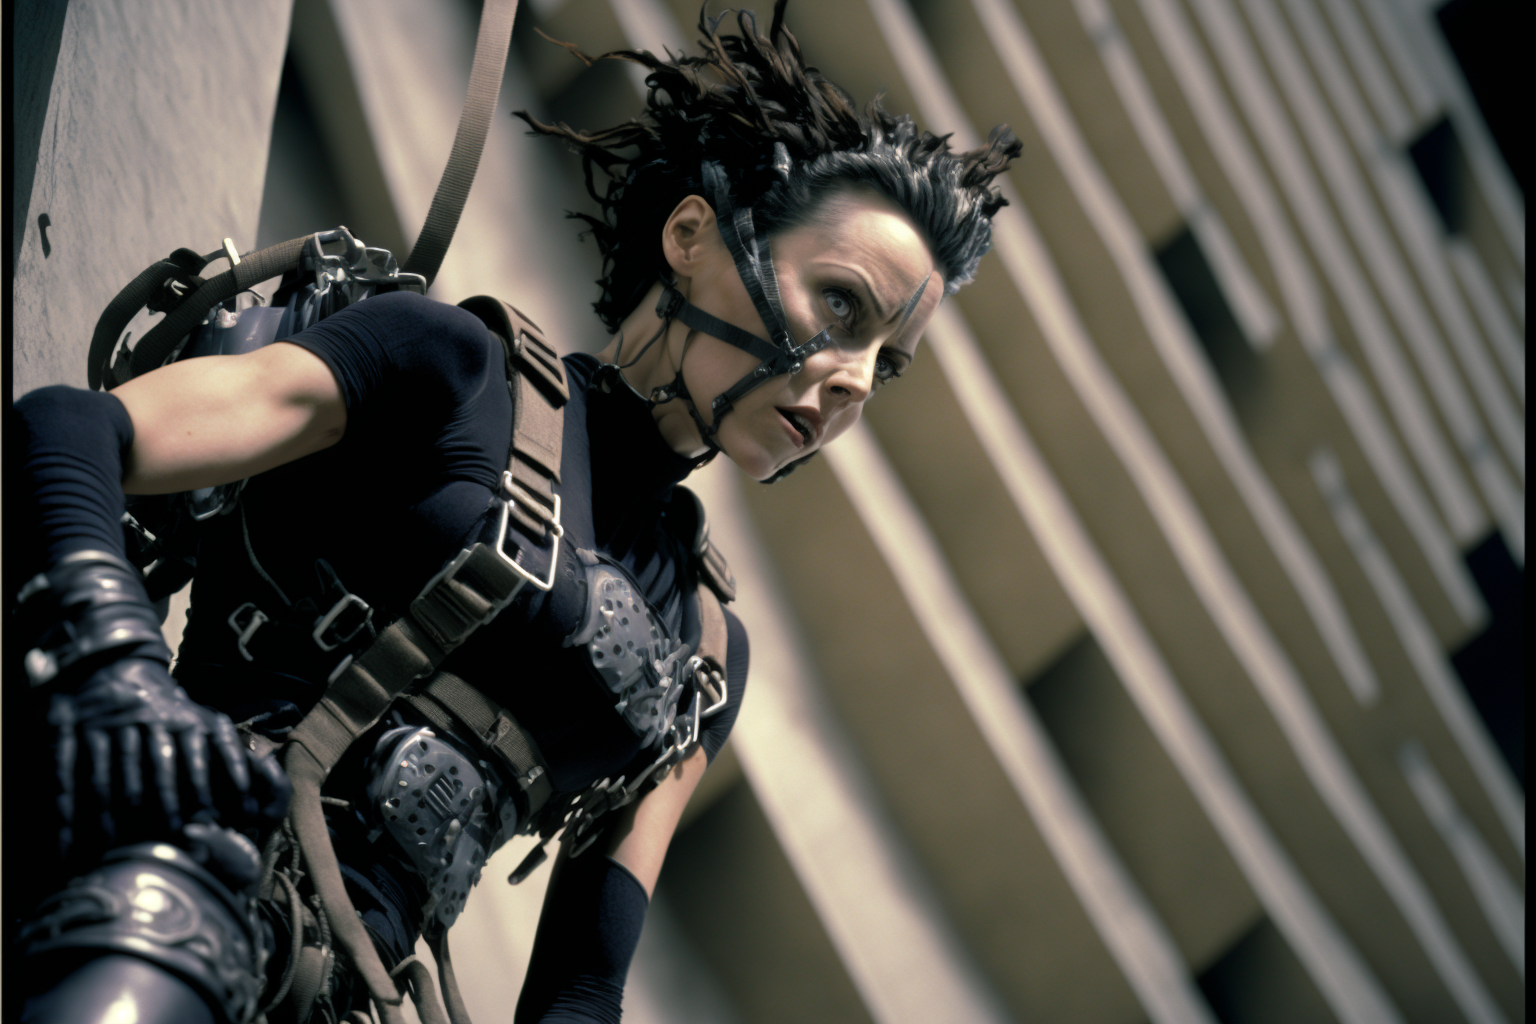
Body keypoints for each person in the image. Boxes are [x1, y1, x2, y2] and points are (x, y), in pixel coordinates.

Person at [9, 4, 1020, 1022]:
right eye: (841, 306)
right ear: (691, 235)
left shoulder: (707, 658)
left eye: (887, 363)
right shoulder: (448, 366)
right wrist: (114, 675)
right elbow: (71, 431)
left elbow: (582, 983)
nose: (854, 381)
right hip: (167, 857)